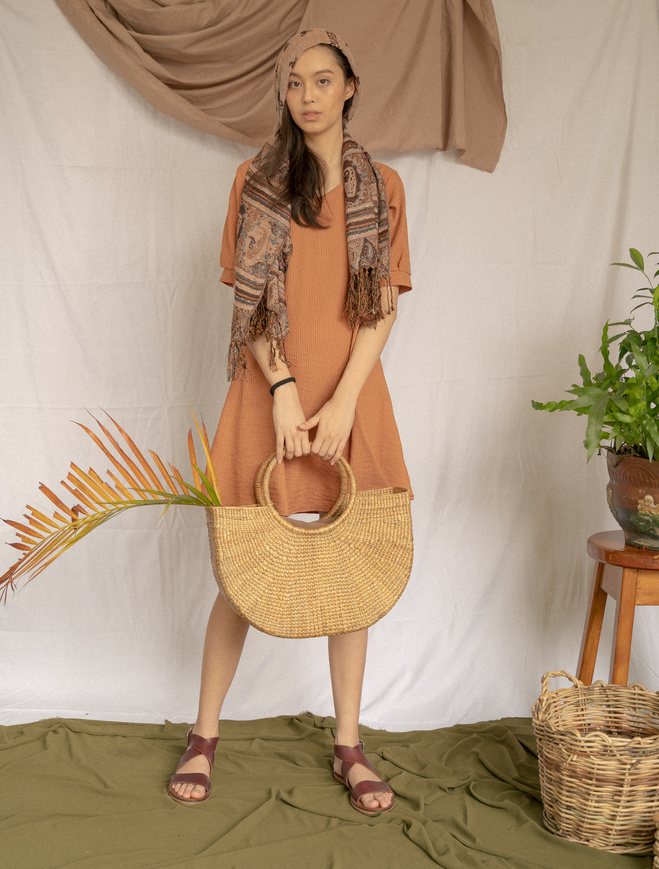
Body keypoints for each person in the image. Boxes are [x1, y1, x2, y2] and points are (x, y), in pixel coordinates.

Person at [168, 29, 412, 816]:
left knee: (353, 569)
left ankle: (349, 744)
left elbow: (382, 307)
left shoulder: (384, 187)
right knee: (244, 570)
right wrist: (281, 388)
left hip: (352, 393)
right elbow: (248, 301)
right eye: (294, 82)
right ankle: (203, 734)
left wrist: (341, 401)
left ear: (349, 88)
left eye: (321, 80)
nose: (306, 95)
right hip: (267, 389)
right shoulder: (254, 181)